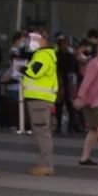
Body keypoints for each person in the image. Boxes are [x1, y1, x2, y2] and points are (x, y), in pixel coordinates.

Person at [20, 29, 58, 176]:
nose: (31, 42)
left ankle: (45, 165)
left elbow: (33, 72)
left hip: (39, 99)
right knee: (43, 131)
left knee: (42, 132)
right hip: (41, 99)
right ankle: (45, 163)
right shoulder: (44, 55)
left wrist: (22, 68)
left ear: (43, 40)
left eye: (34, 38)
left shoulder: (43, 56)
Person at [55, 36, 79, 134]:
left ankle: (71, 126)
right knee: (60, 105)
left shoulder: (70, 56)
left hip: (68, 82)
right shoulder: (59, 56)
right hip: (62, 82)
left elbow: (75, 70)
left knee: (70, 106)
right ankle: (60, 125)